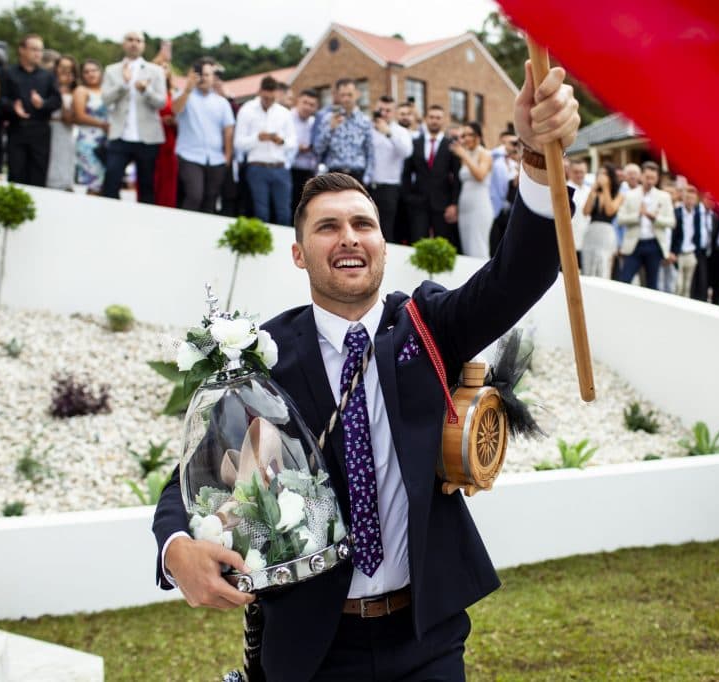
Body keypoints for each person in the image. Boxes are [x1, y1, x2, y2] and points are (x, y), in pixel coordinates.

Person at [153, 62, 580, 682]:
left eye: (363, 224)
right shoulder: (260, 356)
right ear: (299, 253)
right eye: (327, 227)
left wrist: (539, 157)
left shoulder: (429, 326)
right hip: (312, 648)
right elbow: (188, 483)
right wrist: (177, 549)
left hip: (425, 640)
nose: (347, 237)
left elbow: (521, 272)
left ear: (384, 244)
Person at [101, 31, 167, 203]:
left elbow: (161, 103)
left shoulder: (156, 71)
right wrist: (123, 84)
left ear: (144, 45)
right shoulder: (112, 70)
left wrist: (146, 91)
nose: (134, 43)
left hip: (147, 137)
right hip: (119, 135)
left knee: (146, 186)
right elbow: (106, 99)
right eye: (130, 39)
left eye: (139, 40)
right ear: (123, 43)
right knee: (111, 181)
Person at [173, 57, 236, 213]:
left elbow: (228, 131)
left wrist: (227, 157)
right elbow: (175, 110)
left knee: (210, 199)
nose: (203, 78)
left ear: (213, 78)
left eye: (207, 74)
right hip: (189, 156)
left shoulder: (221, 102)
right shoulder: (185, 96)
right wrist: (187, 88)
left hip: (215, 159)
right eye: (200, 74)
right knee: (194, 195)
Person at [0, 34, 61, 186]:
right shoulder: (7, 73)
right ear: (22, 50)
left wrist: (43, 104)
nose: (37, 53)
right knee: (16, 173)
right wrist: (13, 107)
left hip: (40, 131)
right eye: (33, 49)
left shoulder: (48, 76)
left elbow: (57, 100)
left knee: (38, 175)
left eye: (40, 50)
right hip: (16, 129)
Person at [234, 75, 296, 224]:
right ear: (260, 92)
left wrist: (281, 141)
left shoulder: (284, 113)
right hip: (257, 167)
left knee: (284, 213)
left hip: (280, 168)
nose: (268, 100)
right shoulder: (247, 110)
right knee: (261, 213)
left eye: (271, 97)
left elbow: (293, 142)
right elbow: (238, 143)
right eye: (265, 97)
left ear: (276, 93)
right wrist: (257, 138)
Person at [402, 104, 461, 250]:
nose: (435, 121)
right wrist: (408, 197)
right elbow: (407, 173)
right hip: (418, 203)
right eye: (432, 117)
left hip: (443, 204)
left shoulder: (451, 146)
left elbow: (457, 177)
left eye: (438, 118)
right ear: (426, 119)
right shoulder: (415, 143)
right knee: (417, 243)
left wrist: (454, 204)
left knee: (443, 246)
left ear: (443, 120)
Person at [617, 160, 675, 288]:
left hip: (654, 245)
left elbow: (671, 222)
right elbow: (620, 219)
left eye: (653, 178)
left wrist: (654, 217)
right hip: (634, 245)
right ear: (641, 176)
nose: (649, 181)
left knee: (652, 285)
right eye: (647, 177)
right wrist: (637, 215)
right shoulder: (630, 195)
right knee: (624, 280)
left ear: (657, 178)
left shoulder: (664, 197)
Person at [366, 95, 412, 242]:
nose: (384, 113)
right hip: (367, 185)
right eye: (381, 109)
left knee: (385, 231)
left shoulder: (400, 132)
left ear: (393, 112)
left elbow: (406, 152)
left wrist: (388, 133)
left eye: (388, 110)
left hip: (389, 188)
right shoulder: (368, 129)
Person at [314, 78, 373, 183]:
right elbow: (318, 149)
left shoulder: (365, 121)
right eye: (343, 95)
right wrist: (330, 129)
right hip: (334, 174)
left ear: (357, 94)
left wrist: (367, 177)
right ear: (337, 96)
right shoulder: (328, 118)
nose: (346, 99)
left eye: (349, 95)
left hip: (357, 174)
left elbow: (370, 151)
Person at [450, 121, 494, 258]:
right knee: (467, 249)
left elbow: (480, 175)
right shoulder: (464, 155)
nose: (466, 138)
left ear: (478, 136)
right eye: (463, 135)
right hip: (465, 208)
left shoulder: (485, 154)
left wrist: (465, 156)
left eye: (470, 134)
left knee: (478, 248)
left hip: (479, 206)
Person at [581, 162, 624, 278]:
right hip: (591, 231)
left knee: (604, 267)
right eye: (599, 173)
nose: (601, 176)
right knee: (587, 267)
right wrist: (592, 190)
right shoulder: (594, 193)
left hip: (606, 233)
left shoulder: (619, 195)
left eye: (604, 174)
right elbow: (585, 212)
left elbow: (610, 210)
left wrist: (605, 187)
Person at [73, 59, 108, 195]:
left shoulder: (106, 90)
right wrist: (102, 125)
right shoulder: (81, 90)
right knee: (94, 183)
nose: (91, 74)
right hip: (88, 143)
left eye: (94, 70)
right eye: (86, 72)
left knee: (104, 183)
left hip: (105, 142)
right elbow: (79, 115)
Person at [668, 185, 710, 299]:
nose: (690, 201)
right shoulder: (677, 212)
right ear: (683, 198)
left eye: (692, 198)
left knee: (687, 287)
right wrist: (671, 251)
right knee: (678, 285)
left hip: (691, 253)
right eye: (688, 198)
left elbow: (698, 234)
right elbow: (672, 234)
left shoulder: (696, 215)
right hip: (678, 253)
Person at [46, 55, 77, 190]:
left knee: (63, 161)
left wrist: (63, 90)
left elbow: (68, 118)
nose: (65, 71)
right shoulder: (47, 87)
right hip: (47, 130)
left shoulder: (76, 92)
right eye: (62, 67)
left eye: (69, 68)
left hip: (66, 132)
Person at [152, 52, 178, 208]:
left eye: (166, 67)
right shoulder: (147, 92)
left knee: (169, 183)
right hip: (152, 141)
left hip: (169, 141)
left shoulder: (173, 93)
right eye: (159, 67)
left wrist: (174, 121)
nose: (163, 70)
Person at [290, 89, 320, 217]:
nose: (307, 107)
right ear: (298, 101)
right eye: (305, 102)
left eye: (312, 105)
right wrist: (297, 147)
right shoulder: (287, 118)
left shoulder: (314, 122)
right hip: (290, 169)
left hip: (308, 172)